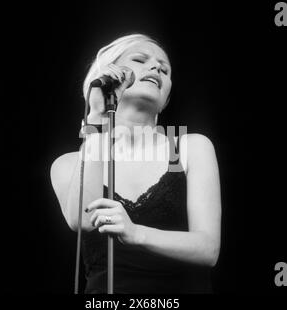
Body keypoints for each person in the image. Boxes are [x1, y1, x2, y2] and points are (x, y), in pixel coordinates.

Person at [50, 34, 221, 294]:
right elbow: (82, 219)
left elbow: (208, 248)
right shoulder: (70, 163)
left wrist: (135, 232)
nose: (156, 68)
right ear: (109, 73)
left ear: (166, 97)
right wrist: (96, 116)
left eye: (164, 69)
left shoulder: (186, 146)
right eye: (140, 59)